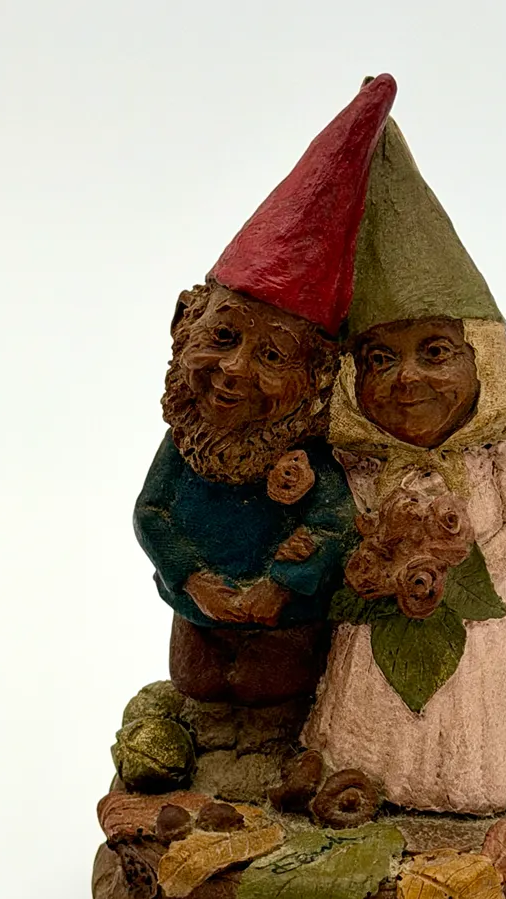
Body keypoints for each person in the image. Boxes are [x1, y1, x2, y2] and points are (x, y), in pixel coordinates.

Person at [302, 118, 506, 814]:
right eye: (380, 359)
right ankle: (371, 777)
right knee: (370, 732)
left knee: (485, 738)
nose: (408, 379)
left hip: (492, 637)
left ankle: (484, 786)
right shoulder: (359, 463)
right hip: (378, 633)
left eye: (435, 352)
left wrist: (456, 569)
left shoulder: (495, 454)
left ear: (480, 361)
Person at [134, 76, 396, 706]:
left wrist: (281, 583)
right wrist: (192, 580)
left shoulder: (307, 459)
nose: (234, 370)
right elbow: (152, 513)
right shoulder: (187, 444)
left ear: (317, 377)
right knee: (196, 681)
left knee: (272, 686)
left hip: (286, 619)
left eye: (272, 356)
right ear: (184, 323)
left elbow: (332, 523)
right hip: (198, 610)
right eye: (222, 337)